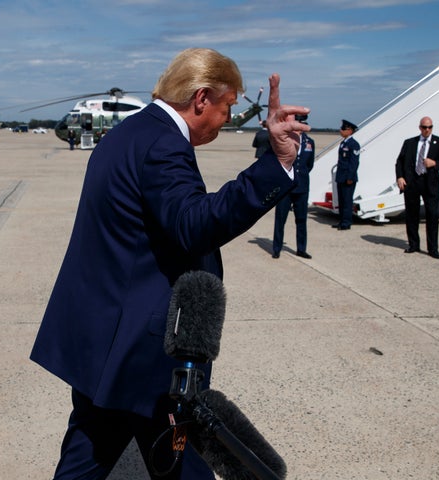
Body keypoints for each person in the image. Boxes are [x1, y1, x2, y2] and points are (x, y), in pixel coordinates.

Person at [30, 48, 310, 480]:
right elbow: (193, 225)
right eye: (227, 108)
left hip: (98, 334)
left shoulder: (128, 134)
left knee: (89, 452)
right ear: (201, 99)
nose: (227, 121)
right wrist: (277, 165)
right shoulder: (164, 144)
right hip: (140, 351)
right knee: (180, 459)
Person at [395, 116, 439, 259]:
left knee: (432, 215)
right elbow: (399, 161)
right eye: (424, 127)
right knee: (412, 215)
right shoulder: (410, 143)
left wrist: (434, 163)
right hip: (412, 183)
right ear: (420, 128)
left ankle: (433, 248)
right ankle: (413, 244)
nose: (427, 130)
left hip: (430, 183)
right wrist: (400, 177)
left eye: (430, 127)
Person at [272, 114, 315, 258]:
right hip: (286, 188)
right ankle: (276, 248)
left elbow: (309, 165)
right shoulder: (285, 141)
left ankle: (301, 249)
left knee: (301, 219)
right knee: (280, 219)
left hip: (302, 187)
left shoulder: (310, 142)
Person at [332, 119, 360, 230]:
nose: (341, 130)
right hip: (341, 176)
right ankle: (341, 221)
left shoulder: (354, 144)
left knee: (347, 201)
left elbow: (354, 163)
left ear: (350, 131)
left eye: (343, 129)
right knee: (342, 201)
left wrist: (350, 177)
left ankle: (346, 223)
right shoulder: (343, 143)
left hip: (348, 178)